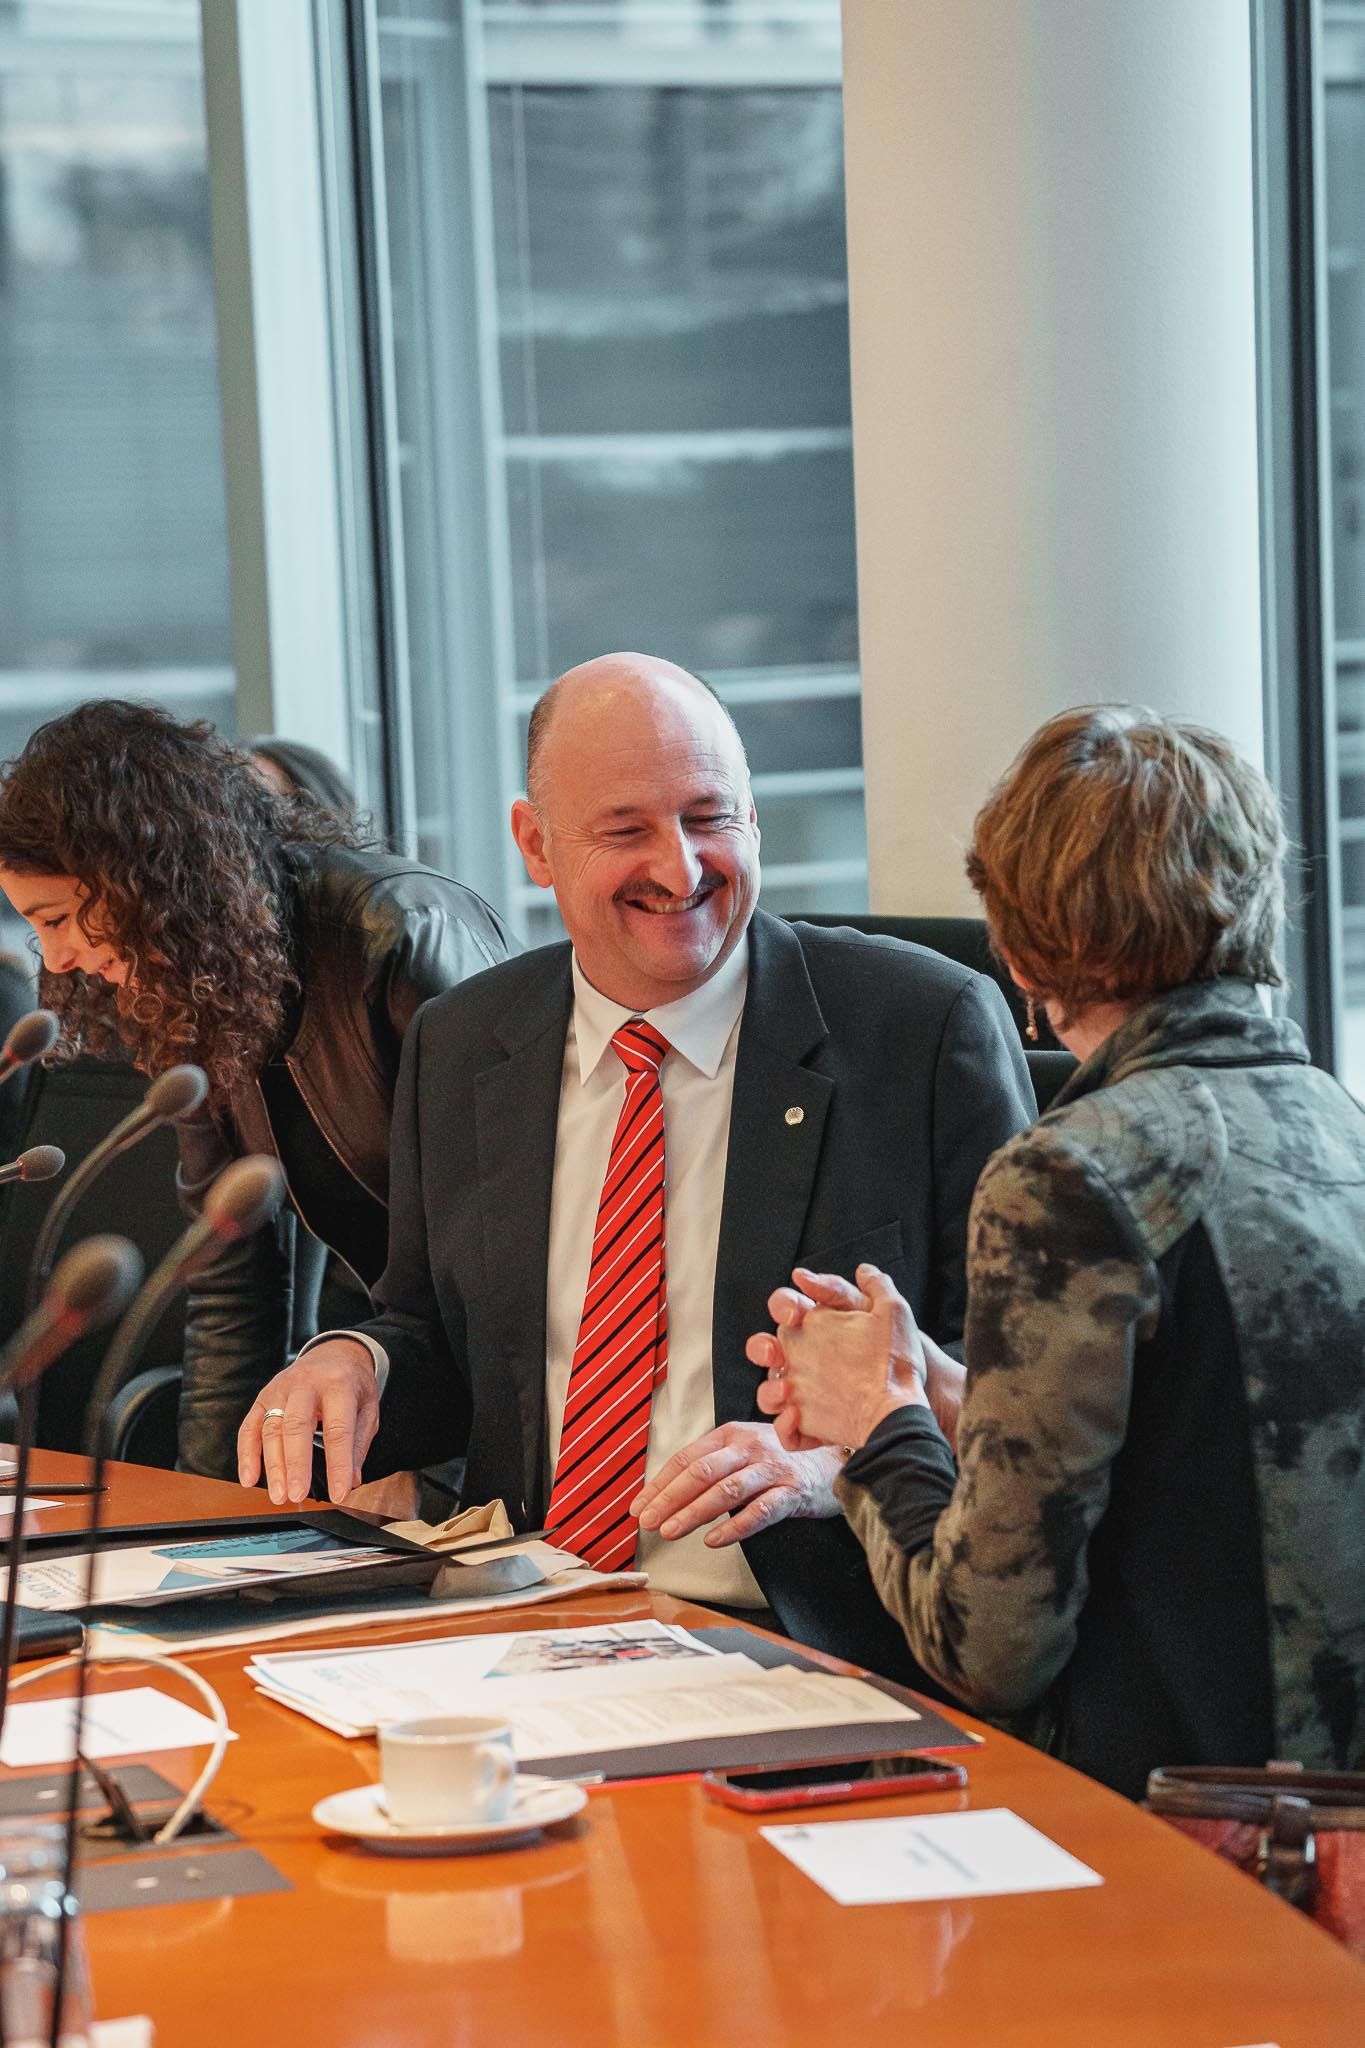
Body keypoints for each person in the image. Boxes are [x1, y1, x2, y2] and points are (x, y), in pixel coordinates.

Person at [237, 652, 1034, 1674]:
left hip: (805, 1635)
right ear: (535, 842)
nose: (682, 866)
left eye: (711, 818)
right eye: (626, 830)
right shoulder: (465, 1040)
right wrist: (358, 1360)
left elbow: (1020, 1388)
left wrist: (839, 1460)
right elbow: (438, 1335)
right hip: (526, 1618)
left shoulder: (917, 1031)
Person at [751, 704, 1365, 1794]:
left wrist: (870, 1427)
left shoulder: (1070, 1174)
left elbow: (987, 1645)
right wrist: (946, 1389)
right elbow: (1209, 1461)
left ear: (1025, 941)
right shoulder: (1336, 1123)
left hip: (1189, 1839)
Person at [0, 699, 513, 1478]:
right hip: (398, 1378)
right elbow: (233, 1286)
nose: (57, 958)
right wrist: (209, 1516)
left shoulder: (398, 931)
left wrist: (426, 1468)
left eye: (61, 917)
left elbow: (513, 1258)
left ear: (141, 874)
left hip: (516, 1408)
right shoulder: (191, 988)